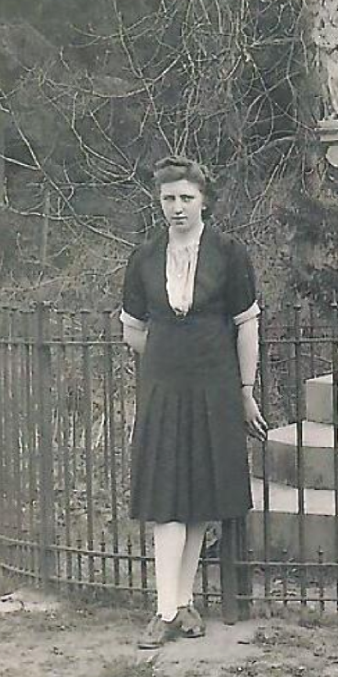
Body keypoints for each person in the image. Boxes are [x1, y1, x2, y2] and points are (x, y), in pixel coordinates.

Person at [120, 155, 267, 650]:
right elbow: (132, 330)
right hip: (164, 388)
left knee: (199, 497)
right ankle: (165, 609)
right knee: (167, 497)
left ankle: (182, 603)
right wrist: (171, 357)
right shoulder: (144, 257)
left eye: (186, 197)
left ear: (204, 201)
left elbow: (247, 325)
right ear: (158, 202)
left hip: (215, 387)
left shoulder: (229, 253)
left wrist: (244, 390)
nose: (177, 207)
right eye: (168, 198)